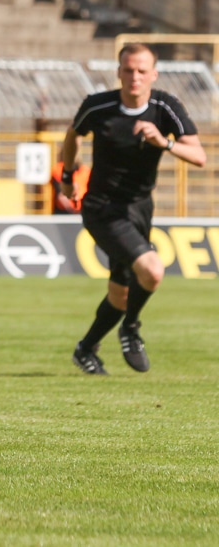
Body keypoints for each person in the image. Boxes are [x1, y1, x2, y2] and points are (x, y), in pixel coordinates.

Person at [62, 43, 206, 375]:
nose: (134, 77)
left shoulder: (164, 108)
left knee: (120, 294)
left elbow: (199, 156)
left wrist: (164, 142)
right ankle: (131, 328)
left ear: (153, 74)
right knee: (153, 270)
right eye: (128, 70)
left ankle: (85, 349)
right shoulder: (98, 106)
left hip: (140, 207)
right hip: (102, 207)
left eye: (142, 71)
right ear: (118, 72)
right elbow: (73, 135)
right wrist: (68, 177)